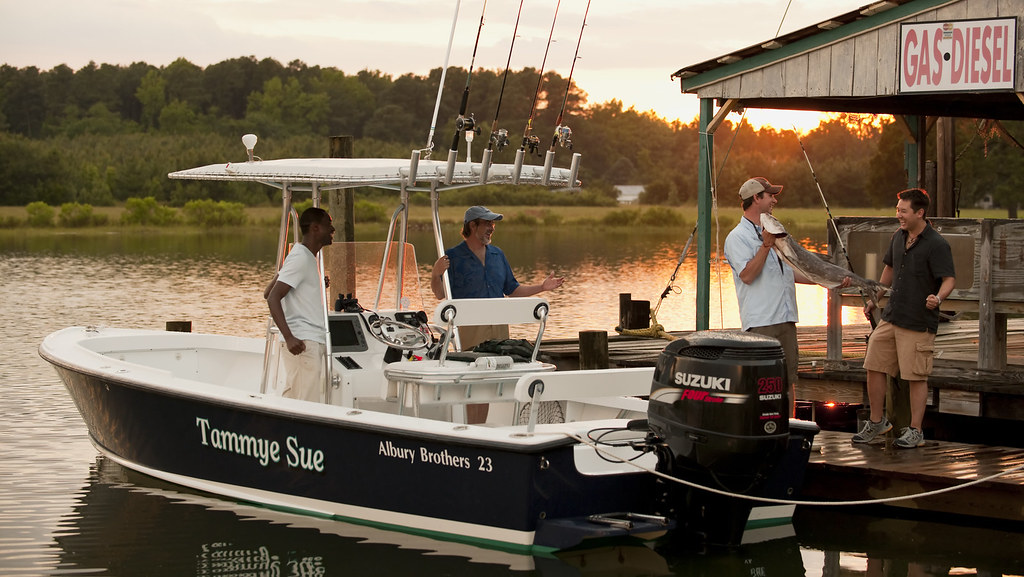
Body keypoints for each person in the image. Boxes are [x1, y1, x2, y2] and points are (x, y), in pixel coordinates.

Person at [430, 205, 564, 423]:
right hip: (471, 328)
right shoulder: (453, 257)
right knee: (475, 379)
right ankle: (473, 428)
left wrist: (542, 287)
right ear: (472, 225)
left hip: (499, 327)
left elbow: (512, 290)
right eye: (487, 223)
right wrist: (436, 274)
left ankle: (481, 427)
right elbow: (439, 294)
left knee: (491, 379)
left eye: (493, 223)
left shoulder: (498, 254)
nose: (492, 228)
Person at [723, 177, 844, 417]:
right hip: (761, 322)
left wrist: (829, 280)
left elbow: (789, 272)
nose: (774, 200)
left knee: (788, 381)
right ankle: (760, 428)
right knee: (762, 383)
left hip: (786, 319)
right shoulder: (737, 237)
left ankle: (789, 427)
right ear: (756, 198)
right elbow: (747, 275)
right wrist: (765, 246)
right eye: (770, 196)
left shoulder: (773, 232)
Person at [854, 188, 955, 448]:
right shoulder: (898, 236)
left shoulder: (937, 244)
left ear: (919, 213)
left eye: (903, 211)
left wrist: (938, 298)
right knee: (873, 364)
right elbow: (888, 270)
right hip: (892, 316)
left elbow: (949, 280)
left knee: (915, 376)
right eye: (897, 210)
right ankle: (877, 422)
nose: (898, 215)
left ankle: (916, 431)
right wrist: (874, 298)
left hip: (918, 321)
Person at [264, 207, 335, 402]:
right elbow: (272, 297)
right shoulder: (301, 257)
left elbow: (268, 291)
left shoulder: (303, 256)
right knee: (306, 403)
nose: (333, 229)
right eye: (328, 225)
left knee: (297, 399)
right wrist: (289, 337)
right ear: (315, 228)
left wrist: (314, 282)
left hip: (309, 339)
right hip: (303, 341)